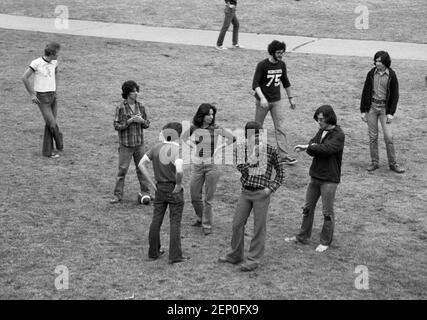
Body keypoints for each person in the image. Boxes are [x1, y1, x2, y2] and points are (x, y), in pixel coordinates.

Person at [218, 121, 285, 272]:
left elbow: (281, 173)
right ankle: (235, 255)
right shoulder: (242, 149)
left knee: (258, 227)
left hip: (261, 193)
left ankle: (253, 259)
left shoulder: (270, 150)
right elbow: (242, 169)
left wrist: (270, 189)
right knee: (237, 224)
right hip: (246, 192)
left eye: (257, 135)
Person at [285, 105, 345, 253]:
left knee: (327, 212)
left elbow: (326, 149)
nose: (319, 122)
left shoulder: (338, 134)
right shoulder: (322, 131)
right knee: (307, 208)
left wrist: (310, 147)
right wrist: (307, 146)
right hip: (316, 176)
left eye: (321, 120)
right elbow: (314, 146)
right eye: (318, 120)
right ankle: (303, 236)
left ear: (329, 118)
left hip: (329, 179)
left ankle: (325, 241)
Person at [138, 122, 189, 264]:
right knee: (175, 222)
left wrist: (152, 184)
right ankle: (175, 256)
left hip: (160, 188)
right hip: (173, 189)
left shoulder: (155, 148)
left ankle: (153, 252)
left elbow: (141, 164)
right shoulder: (178, 150)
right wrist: (178, 184)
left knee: (156, 220)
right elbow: (179, 170)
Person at [181, 103, 235, 235]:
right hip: (198, 166)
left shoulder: (215, 128)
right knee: (194, 195)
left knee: (208, 198)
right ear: (202, 115)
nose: (211, 117)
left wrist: (219, 148)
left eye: (212, 114)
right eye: (208, 114)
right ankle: (201, 217)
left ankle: (207, 224)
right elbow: (183, 137)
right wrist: (193, 145)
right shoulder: (194, 127)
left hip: (212, 165)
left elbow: (232, 138)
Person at [252, 40, 297, 165]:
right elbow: (255, 84)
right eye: (278, 52)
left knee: (280, 128)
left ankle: (283, 155)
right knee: (257, 127)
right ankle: (254, 154)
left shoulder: (282, 65)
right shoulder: (262, 65)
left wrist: (291, 98)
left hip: (276, 101)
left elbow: (286, 82)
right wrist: (262, 98)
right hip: (263, 102)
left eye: (282, 52)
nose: (280, 55)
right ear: (272, 52)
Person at [360, 51, 405, 173]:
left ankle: (393, 164)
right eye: (376, 60)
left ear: (385, 62)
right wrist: (363, 110)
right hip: (372, 108)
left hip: (385, 109)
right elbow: (365, 91)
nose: (376, 63)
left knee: (389, 137)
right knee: (373, 137)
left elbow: (395, 95)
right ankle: (374, 162)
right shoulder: (371, 73)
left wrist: (391, 113)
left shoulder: (391, 75)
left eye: (379, 61)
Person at [110, 80, 151, 204]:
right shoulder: (121, 108)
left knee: (142, 170)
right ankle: (117, 195)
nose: (136, 93)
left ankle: (146, 193)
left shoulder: (141, 106)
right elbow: (116, 125)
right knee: (122, 170)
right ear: (127, 93)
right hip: (126, 145)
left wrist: (141, 121)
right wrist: (128, 122)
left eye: (136, 90)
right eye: (133, 91)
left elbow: (147, 124)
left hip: (139, 144)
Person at [22, 42, 63, 158]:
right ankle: (60, 144)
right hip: (42, 97)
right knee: (52, 123)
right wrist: (32, 94)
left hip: (53, 96)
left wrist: (56, 89)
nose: (59, 55)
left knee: (49, 124)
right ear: (52, 53)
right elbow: (24, 78)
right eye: (57, 53)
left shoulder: (54, 62)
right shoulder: (36, 63)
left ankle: (47, 152)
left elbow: (56, 73)